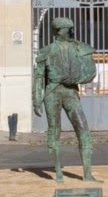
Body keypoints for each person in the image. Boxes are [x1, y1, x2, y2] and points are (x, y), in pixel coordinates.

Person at [32, 16, 99, 184]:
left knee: (83, 129)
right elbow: (39, 76)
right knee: (54, 130)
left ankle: (87, 174)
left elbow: (89, 71)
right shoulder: (46, 51)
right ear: (59, 31)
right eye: (68, 29)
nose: (72, 32)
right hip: (52, 93)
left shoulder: (78, 48)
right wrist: (37, 98)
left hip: (70, 92)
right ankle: (58, 171)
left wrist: (78, 77)